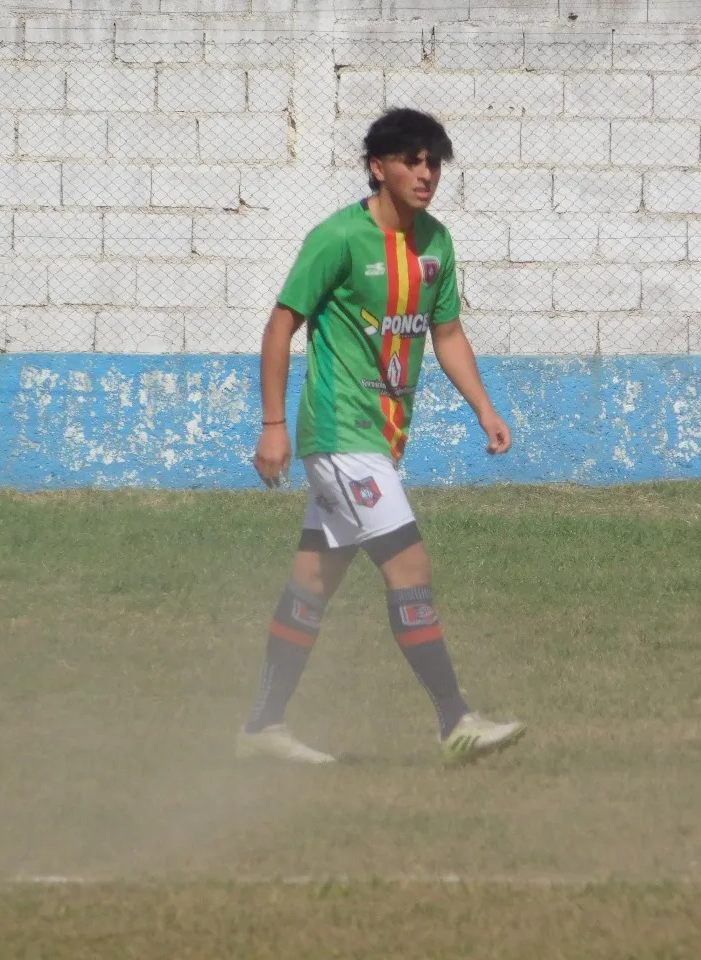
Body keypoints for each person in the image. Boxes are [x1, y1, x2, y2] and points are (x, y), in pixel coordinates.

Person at [238, 107, 526, 767]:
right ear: (379, 167)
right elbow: (282, 325)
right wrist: (274, 425)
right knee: (410, 566)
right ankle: (455, 720)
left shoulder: (436, 245)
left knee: (312, 582)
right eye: (412, 161)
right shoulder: (338, 238)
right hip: (340, 434)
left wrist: (484, 407)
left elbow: (445, 333)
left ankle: (262, 726)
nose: (426, 174)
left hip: (380, 439)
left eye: (434, 163)